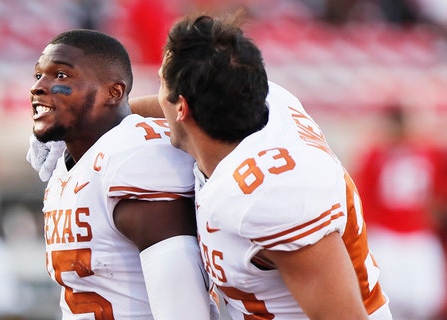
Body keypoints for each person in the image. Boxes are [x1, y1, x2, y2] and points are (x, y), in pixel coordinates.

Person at [29, 13, 393, 319]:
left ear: (182, 107)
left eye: (161, 86)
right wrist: (85, 119)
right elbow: (175, 99)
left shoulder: (268, 196)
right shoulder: (266, 99)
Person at [28, 29, 214, 319]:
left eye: (61, 76)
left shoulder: (132, 156)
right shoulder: (69, 165)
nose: (38, 87)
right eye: (38, 76)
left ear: (113, 92)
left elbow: (184, 310)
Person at [352, 104, 446, 319]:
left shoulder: (429, 152)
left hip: (419, 234)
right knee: (386, 302)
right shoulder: (375, 155)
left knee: (424, 301)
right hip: (387, 235)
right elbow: (363, 194)